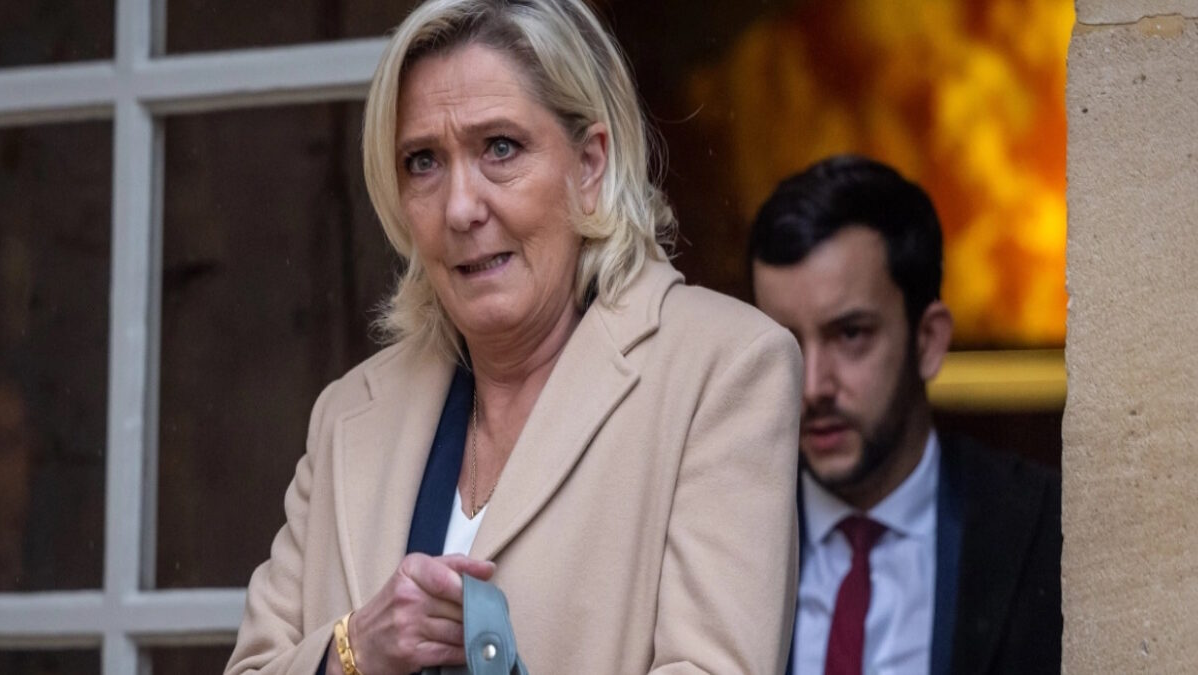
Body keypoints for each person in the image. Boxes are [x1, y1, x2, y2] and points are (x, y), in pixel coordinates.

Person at [225, 1, 804, 673]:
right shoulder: (347, 413)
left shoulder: (726, 368)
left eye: (500, 148)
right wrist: (356, 650)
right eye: (423, 161)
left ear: (590, 165)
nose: (460, 208)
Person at [749, 155, 1061, 675]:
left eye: (851, 334)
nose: (812, 386)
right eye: (785, 344)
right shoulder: (727, 532)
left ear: (929, 341)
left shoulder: (1040, 529)